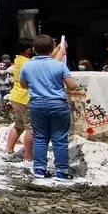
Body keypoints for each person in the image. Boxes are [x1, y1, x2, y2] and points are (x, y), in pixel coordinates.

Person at [19, 35, 78, 181]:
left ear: (33, 50)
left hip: (37, 103)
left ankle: (39, 169)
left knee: (40, 138)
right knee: (60, 138)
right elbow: (72, 86)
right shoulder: (59, 65)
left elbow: (23, 85)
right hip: (57, 104)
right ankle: (62, 171)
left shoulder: (27, 65)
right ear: (52, 49)